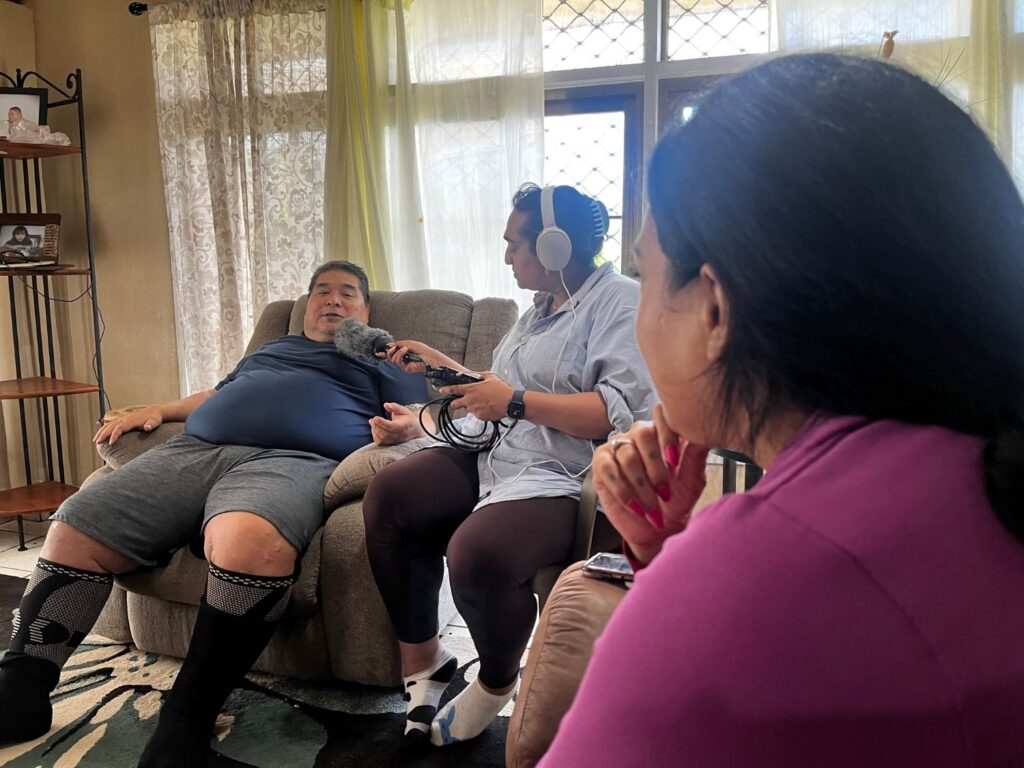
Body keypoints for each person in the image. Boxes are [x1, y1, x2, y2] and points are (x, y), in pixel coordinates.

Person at [539, 54, 1024, 766]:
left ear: (712, 307)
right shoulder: (973, 471)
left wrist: (689, 584)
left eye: (645, 273)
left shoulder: (752, 583)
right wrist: (667, 555)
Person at [0, 261, 427, 766]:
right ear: (307, 304)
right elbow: (219, 395)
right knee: (77, 523)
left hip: (294, 460)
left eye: (348, 293)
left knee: (247, 542)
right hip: (198, 449)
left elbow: (421, 419)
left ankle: (188, 716)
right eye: (322, 291)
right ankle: (22, 690)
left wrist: (406, 429)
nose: (332, 299)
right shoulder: (273, 349)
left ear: (366, 310)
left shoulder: (387, 358)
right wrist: (158, 409)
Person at [362, 183, 656, 747]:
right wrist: (437, 365)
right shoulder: (537, 312)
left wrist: (516, 403)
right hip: (498, 450)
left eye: (514, 245)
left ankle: (495, 682)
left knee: (478, 552)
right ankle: (427, 663)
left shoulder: (619, 300)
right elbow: (498, 390)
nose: (506, 258)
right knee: (391, 495)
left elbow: (618, 412)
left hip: (566, 474)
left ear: (553, 247)